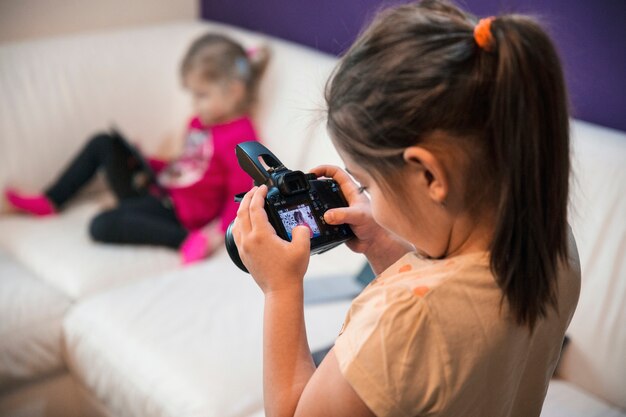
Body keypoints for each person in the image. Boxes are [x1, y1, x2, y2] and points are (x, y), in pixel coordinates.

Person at [231, 1, 580, 416]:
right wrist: (381, 243)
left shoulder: (404, 321)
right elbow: (459, 331)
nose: (369, 202)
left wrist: (281, 289)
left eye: (370, 183)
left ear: (430, 176)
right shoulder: (550, 241)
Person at [5, 33, 269, 264]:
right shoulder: (199, 123)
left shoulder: (241, 136)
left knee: (101, 225)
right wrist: (148, 162)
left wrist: (214, 235)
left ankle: (182, 241)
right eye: (192, 95)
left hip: (177, 215)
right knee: (104, 143)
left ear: (234, 91)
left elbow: (240, 195)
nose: (194, 105)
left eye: (202, 95)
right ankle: (50, 200)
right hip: (158, 189)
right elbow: (185, 167)